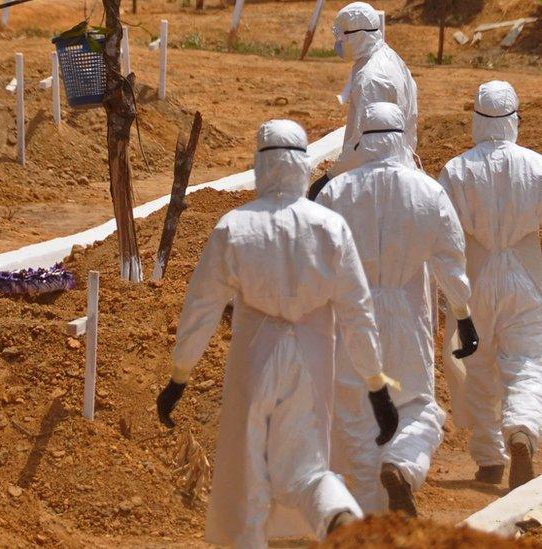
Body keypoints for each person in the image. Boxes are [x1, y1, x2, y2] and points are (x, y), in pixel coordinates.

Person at [155, 120, 399, 548]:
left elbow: (201, 308)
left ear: (260, 166)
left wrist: (180, 374)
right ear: (302, 166)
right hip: (314, 358)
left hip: (254, 358)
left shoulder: (235, 227)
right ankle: (339, 517)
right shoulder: (330, 227)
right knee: (308, 469)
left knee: (246, 476)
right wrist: (375, 383)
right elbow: (358, 313)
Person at [437, 81, 542, 490]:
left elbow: (442, 236)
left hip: (475, 277)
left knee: (477, 366)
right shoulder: (537, 167)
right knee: (526, 363)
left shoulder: (456, 171)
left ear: (476, 118)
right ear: (514, 120)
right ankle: (522, 431)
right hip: (525, 277)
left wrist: (442, 290)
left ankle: (489, 458)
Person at [316, 102, 479, 517]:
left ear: (362, 139)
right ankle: (403, 465)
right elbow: (451, 265)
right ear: (402, 136)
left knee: (357, 416)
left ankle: (374, 518)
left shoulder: (336, 192)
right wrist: (463, 315)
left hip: (352, 316)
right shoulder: (428, 191)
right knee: (419, 406)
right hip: (406, 314)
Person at [307, 1, 418, 200]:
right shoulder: (389, 58)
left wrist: (332, 177)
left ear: (358, 35)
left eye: (343, 36)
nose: (339, 42)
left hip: (372, 179)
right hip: (399, 165)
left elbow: (366, 138)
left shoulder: (371, 78)